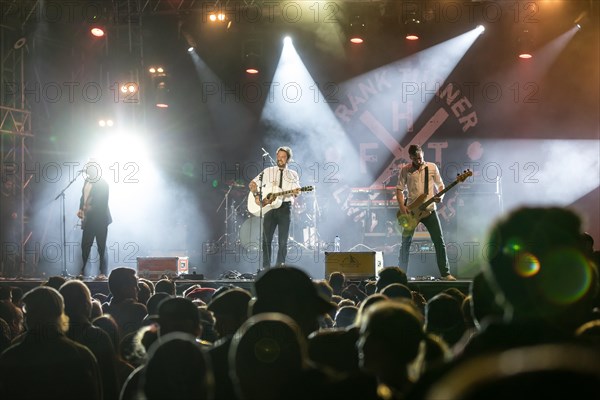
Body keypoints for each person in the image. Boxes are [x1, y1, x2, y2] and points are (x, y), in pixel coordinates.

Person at [396, 144, 456, 280]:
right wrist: (402, 207)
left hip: (429, 210)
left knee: (439, 241)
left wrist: (440, 196)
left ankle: (445, 274)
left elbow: (441, 185)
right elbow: (399, 189)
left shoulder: (432, 167)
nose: (419, 160)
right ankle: (401, 274)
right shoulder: (405, 170)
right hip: (412, 212)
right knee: (405, 242)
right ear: (410, 157)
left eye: (421, 157)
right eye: (416, 158)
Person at [249, 146, 300, 270]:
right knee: (266, 240)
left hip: (285, 208)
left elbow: (297, 191)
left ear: (288, 159)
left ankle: (279, 268)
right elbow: (253, 184)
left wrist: (296, 192)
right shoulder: (268, 171)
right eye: (278, 156)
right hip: (270, 208)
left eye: (283, 157)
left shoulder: (293, 174)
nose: (280, 159)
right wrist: (256, 196)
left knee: (283, 242)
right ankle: (266, 268)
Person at [77, 160, 112, 278]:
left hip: (100, 219)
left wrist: (90, 208)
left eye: (89, 168)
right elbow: (83, 197)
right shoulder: (86, 181)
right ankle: (84, 271)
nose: (87, 170)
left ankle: (103, 272)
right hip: (89, 220)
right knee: (85, 245)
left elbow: (103, 202)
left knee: (101, 246)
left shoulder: (103, 183)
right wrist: (81, 209)